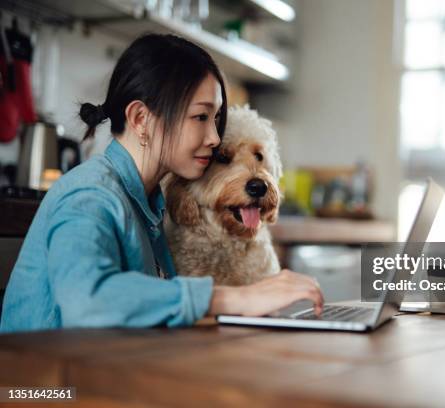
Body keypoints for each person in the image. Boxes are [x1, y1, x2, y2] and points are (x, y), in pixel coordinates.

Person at [0, 34, 323, 333]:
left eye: (216, 119)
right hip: (43, 390)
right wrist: (234, 299)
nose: (213, 137)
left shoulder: (149, 202)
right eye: (200, 117)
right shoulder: (90, 195)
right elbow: (87, 300)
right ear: (141, 119)